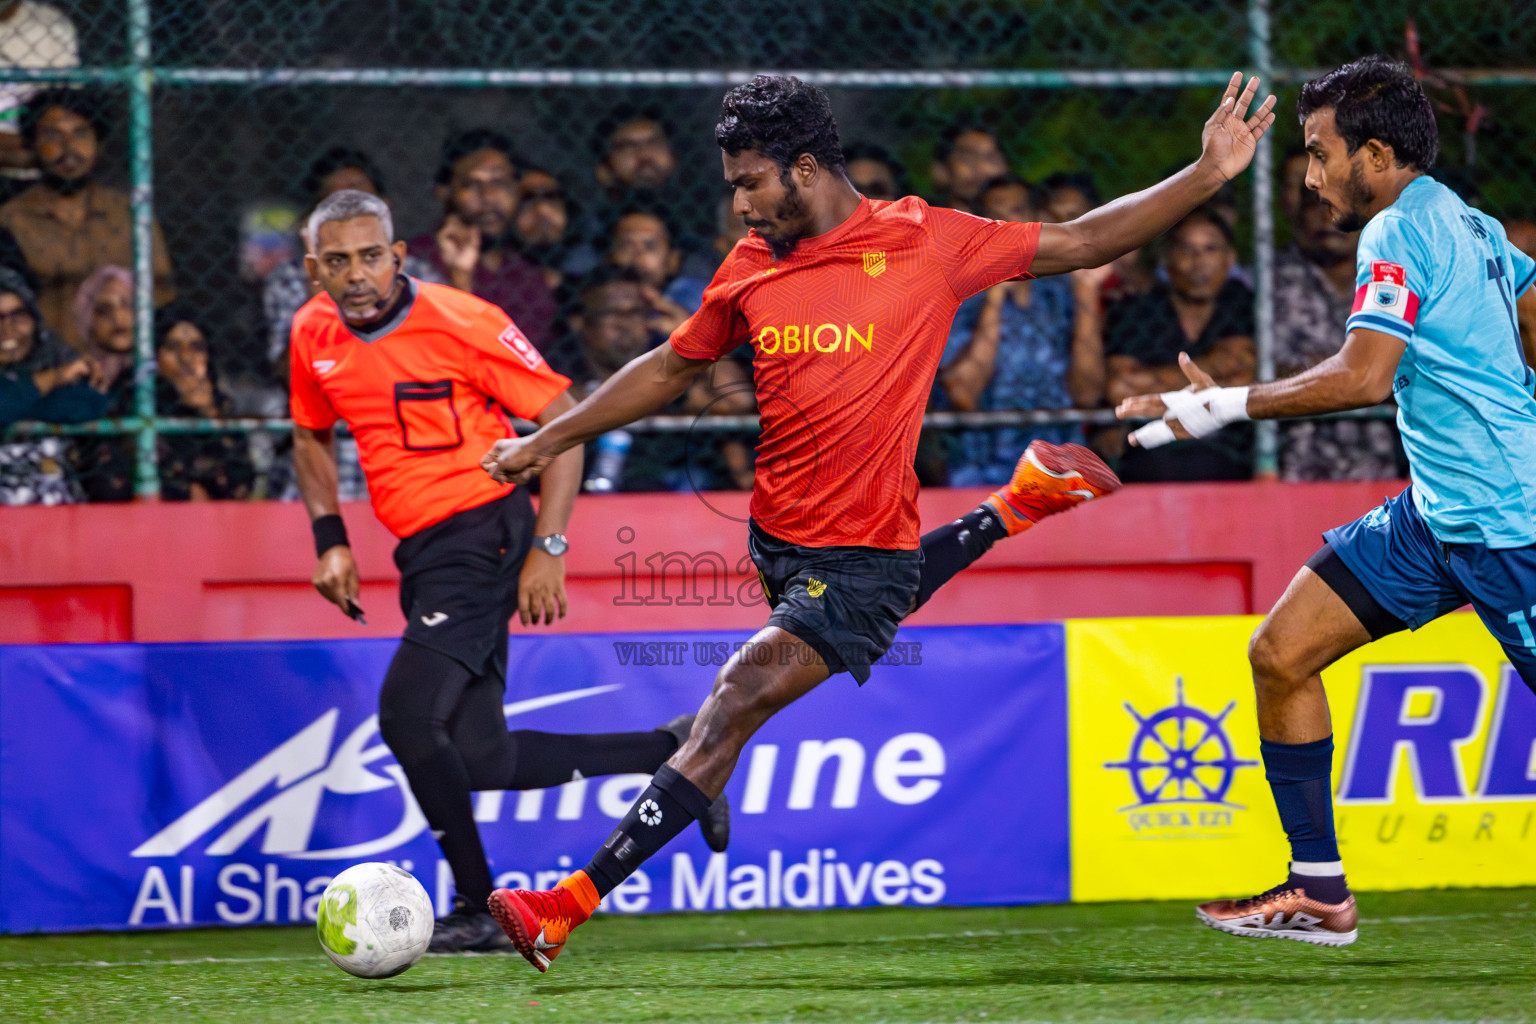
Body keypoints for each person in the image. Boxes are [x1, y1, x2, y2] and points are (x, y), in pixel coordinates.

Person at [480, 71, 1275, 972]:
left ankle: (564, 906)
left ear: (806, 168)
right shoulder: (750, 266)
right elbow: (668, 368)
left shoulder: (926, 241)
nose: (738, 203)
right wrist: (550, 437)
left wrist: (1207, 174)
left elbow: (1088, 238)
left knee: (733, 700)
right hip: (781, 543)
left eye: (750, 182)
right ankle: (1015, 505)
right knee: (766, 685)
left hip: (860, 558)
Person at [1117, 56, 1536, 947]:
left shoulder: (1397, 231)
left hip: (1507, 524)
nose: (1309, 179)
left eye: (1318, 154)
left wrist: (1217, 406)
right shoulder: (1471, 220)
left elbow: (1362, 376)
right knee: (1280, 654)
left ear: (1375, 153)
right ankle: (1318, 891)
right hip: (1435, 519)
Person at [287, 190, 727, 954]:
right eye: (337, 261)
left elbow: (567, 426)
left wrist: (547, 550)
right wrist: (330, 537)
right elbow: (310, 435)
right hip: (423, 553)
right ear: (311, 269)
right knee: (479, 757)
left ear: (397, 256)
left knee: (405, 716)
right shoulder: (310, 330)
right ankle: (678, 752)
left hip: (483, 530)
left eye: (369, 256)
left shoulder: (464, 321)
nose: (356, 274)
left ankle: (474, 906)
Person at [938, 174, 1109, 486]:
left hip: (1059, 465)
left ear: (1037, 223)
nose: (1006, 225)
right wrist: (994, 293)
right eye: (993, 217)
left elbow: (1087, 394)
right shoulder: (955, 298)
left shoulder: (1063, 295)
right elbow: (964, 394)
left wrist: (1086, 294)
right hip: (981, 467)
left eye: (1017, 212)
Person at [0, 88, 174, 348]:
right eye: (52, 136)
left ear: (97, 141)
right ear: (32, 144)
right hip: (50, 370)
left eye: (80, 133)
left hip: (125, 367)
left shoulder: (128, 214)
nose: (68, 148)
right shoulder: (12, 218)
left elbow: (162, 295)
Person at [1273, 147, 1401, 481]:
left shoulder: (1392, 275)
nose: (1326, 216)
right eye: (1316, 205)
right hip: (1295, 462)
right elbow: (1260, 369)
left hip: (1381, 464)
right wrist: (1362, 369)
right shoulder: (1270, 280)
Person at [1105, 206, 1256, 481]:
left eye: (1211, 249)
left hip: (1232, 448)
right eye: (1186, 250)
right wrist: (1215, 370)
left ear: (1230, 259)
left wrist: (1154, 382)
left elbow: (1246, 372)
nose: (1198, 263)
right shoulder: (1138, 310)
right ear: (1166, 259)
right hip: (1154, 453)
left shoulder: (1241, 302)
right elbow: (1120, 389)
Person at [409, 129, 555, 350]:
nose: (488, 197)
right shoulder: (414, 262)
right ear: (444, 193)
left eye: (500, 183)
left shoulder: (528, 276)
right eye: (472, 184)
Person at [0, 265, 103, 504]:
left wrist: (12, 401)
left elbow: (84, 405)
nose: (8, 330)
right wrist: (52, 380)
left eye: (19, 316)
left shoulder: (52, 353)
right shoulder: (57, 371)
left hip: (55, 506)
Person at [152, 303, 255, 501]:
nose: (185, 358)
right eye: (172, 347)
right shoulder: (136, 403)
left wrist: (209, 415)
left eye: (196, 348)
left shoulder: (221, 406)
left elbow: (241, 485)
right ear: (155, 357)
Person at [930, 122, 1008, 214]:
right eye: (967, 159)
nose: (982, 169)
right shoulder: (927, 223)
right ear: (941, 171)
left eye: (991, 158)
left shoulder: (1022, 223)